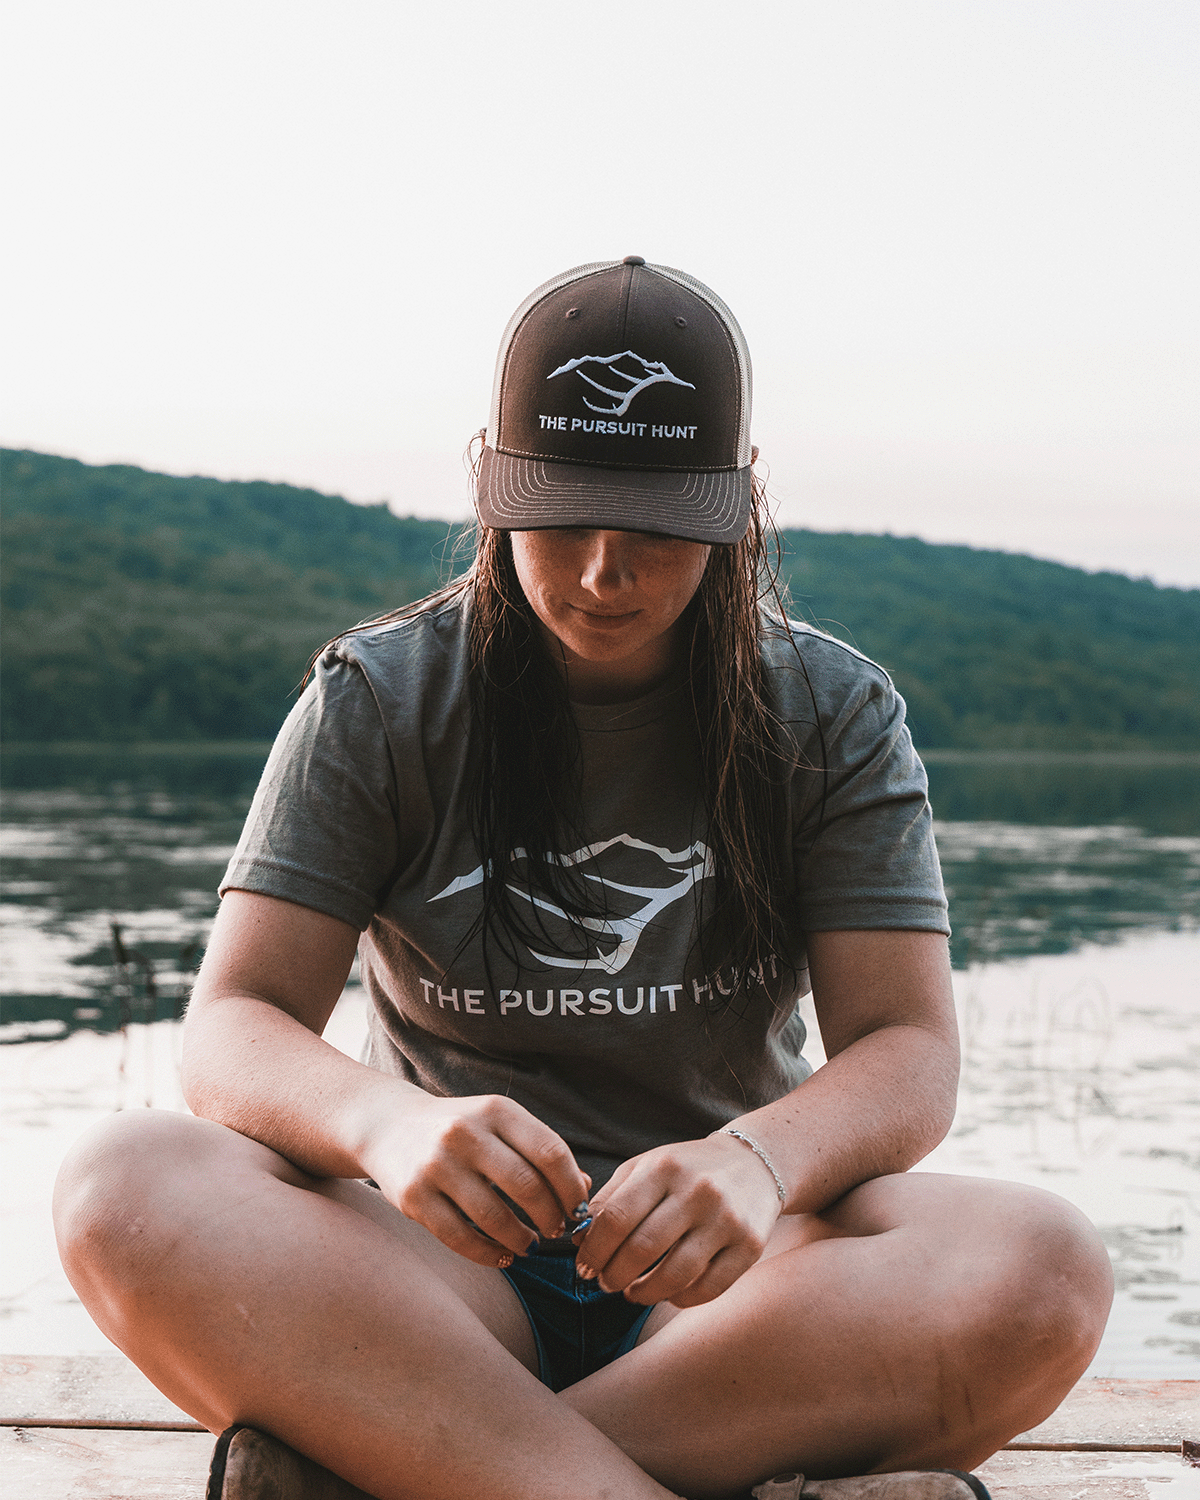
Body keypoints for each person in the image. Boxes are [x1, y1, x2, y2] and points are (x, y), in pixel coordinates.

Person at [53, 257, 1113, 1500]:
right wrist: (385, 1127)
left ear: (735, 505)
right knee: (119, 1186)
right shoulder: (379, 699)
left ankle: (424, 1461)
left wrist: (758, 1165)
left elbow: (907, 1048)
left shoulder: (832, 710)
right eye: (563, 512)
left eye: (660, 524)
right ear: (494, 483)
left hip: (725, 1300)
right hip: (439, 1282)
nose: (606, 571)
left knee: (1043, 1269)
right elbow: (233, 1024)